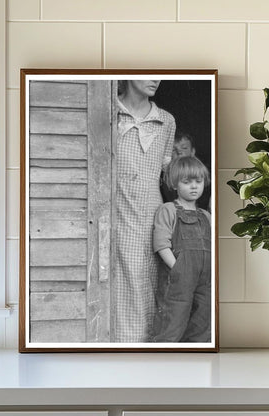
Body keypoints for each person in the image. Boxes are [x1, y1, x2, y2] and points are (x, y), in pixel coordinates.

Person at [115, 80, 176, 342]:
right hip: (115, 204)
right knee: (114, 276)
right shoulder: (107, 109)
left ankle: (141, 345)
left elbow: (168, 175)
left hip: (149, 209)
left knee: (144, 278)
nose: (156, 79)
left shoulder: (166, 121)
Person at [151, 156, 211, 343]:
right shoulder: (168, 210)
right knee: (172, 322)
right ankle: (162, 362)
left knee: (202, 324)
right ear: (175, 184)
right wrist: (178, 268)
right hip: (179, 278)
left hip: (205, 279)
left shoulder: (206, 215)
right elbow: (161, 244)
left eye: (198, 181)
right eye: (187, 182)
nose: (194, 186)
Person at [161, 131, 196, 203]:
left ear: (192, 152)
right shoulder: (162, 177)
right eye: (173, 150)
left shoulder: (198, 174)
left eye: (184, 148)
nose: (179, 152)